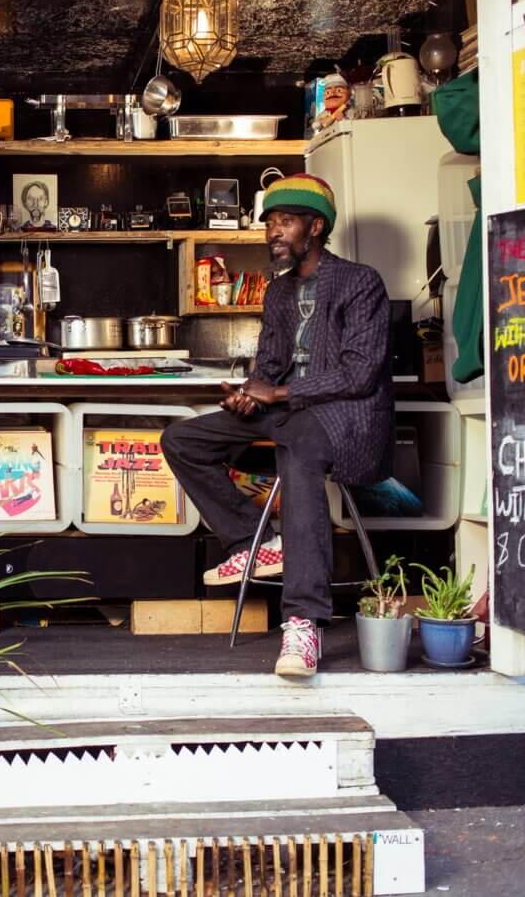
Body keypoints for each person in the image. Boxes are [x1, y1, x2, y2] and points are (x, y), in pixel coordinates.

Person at [160, 173, 393, 678]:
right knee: (182, 439)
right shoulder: (279, 292)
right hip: (288, 409)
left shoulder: (361, 282)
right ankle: (253, 543)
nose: (273, 232)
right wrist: (250, 394)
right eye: (269, 222)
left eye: (285, 221)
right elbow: (269, 364)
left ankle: (303, 623)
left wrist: (280, 393)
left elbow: (359, 374)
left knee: (299, 446)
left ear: (316, 227)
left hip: (346, 417)